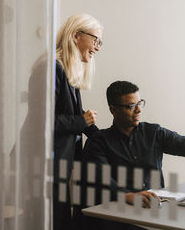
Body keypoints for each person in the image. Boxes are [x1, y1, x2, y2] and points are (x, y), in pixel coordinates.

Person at [80, 80, 185, 230]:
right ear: (113, 110)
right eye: (131, 106)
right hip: (120, 216)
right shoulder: (99, 141)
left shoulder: (153, 132)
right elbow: (101, 179)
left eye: (140, 103)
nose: (138, 110)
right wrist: (127, 196)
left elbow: (184, 144)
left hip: (156, 211)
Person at [53, 13, 104, 230]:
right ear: (76, 36)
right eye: (96, 40)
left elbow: (75, 114)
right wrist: (81, 122)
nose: (98, 47)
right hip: (48, 166)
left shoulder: (67, 71)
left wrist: (102, 138)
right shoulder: (52, 67)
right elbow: (43, 121)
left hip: (61, 167)